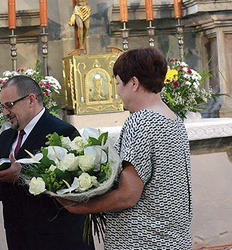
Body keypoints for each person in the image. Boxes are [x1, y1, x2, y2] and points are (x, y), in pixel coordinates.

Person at [58, 47, 193, 248]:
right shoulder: (173, 118)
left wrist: (80, 206)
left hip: (143, 240)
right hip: (173, 238)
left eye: (119, 83)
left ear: (134, 83)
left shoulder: (140, 122)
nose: (117, 91)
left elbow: (127, 195)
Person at [0, 75, 95, 250]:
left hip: (58, 238)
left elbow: (72, 188)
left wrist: (23, 174)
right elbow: (3, 184)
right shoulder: (6, 138)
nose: (5, 113)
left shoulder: (61, 132)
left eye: (9, 105)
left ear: (30, 100)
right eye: (3, 107)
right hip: (19, 237)